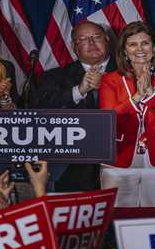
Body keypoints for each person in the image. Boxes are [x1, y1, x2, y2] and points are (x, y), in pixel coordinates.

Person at [99, 21, 155, 207]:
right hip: (118, 158)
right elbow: (108, 120)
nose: (140, 49)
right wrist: (135, 98)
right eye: (132, 44)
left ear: (153, 48)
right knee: (117, 219)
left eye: (145, 43)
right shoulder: (110, 80)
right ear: (124, 51)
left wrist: (152, 94)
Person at [36, 21, 115, 193]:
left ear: (107, 39)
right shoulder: (54, 77)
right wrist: (78, 91)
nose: (91, 43)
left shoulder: (130, 72)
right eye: (84, 39)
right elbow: (41, 109)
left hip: (124, 163)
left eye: (96, 37)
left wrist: (109, 85)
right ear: (74, 46)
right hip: (73, 170)